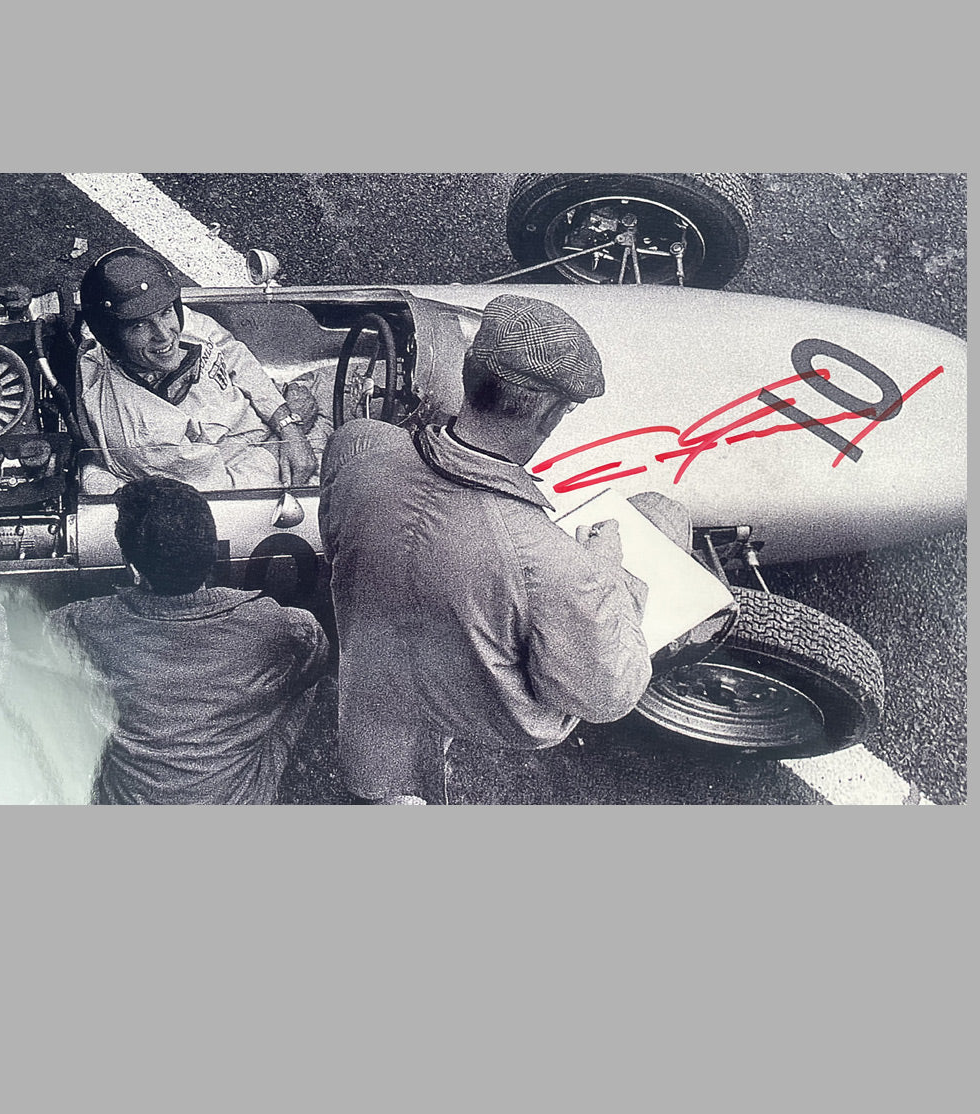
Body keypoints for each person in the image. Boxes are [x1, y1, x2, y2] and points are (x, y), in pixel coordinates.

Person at [319, 293, 660, 804]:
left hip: (369, 688)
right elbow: (606, 695)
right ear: (549, 416)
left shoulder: (357, 446)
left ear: (468, 374)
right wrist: (607, 574)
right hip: (490, 717)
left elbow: (335, 541)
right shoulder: (556, 564)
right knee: (660, 519)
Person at [47, 476, 331, 804]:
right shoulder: (285, 628)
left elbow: (29, 650)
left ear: (130, 564)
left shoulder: (81, 623)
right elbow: (315, 662)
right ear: (213, 552)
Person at [77, 246, 318, 490]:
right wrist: (293, 436)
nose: (164, 334)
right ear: (111, 338)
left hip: (283, 413)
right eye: (139, 326)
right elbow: (228, 490)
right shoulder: (147, 436)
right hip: (273, 468)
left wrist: (285, 420)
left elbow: (232, 353)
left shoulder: (173, 319)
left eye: (165, 312)